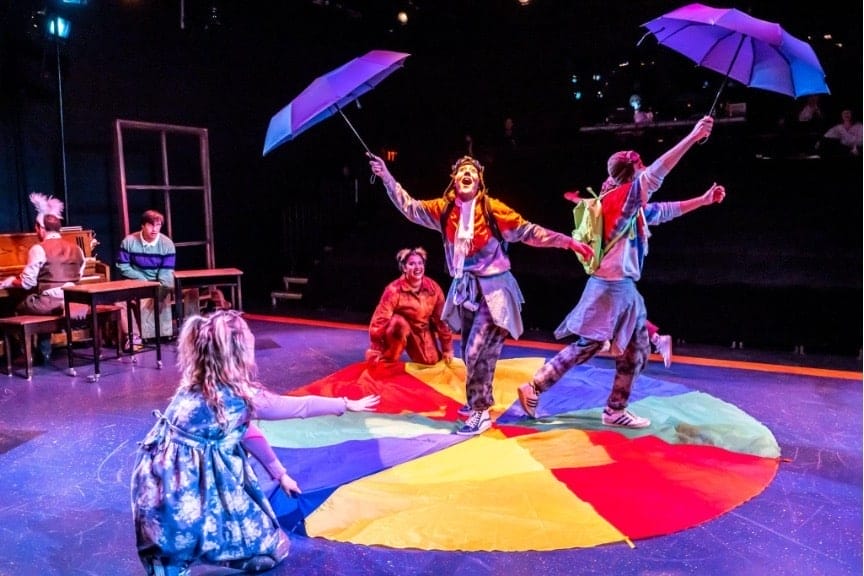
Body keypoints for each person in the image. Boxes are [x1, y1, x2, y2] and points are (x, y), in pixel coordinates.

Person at [130, 309, 380, 576]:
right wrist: (345, 404)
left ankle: (173, 558)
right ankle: (180, 558)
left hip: (155, 479)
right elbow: (299, 407)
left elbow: (247, 433)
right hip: (179, 486)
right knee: (257, 549)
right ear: (238, 352)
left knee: (178, 543)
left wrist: (280, 475)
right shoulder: (241, 397)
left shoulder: (196, 385)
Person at [367, 153, 594, 436]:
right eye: (461, 170)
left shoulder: (492, 208)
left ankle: (479, 411)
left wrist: (568, 243)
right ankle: (480, 404)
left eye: (471, 171)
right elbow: (410, 208)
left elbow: (528, 231)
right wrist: (387, 176)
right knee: (476, 354)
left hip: (495, 290)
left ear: (479, 181)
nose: (466, 174)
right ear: (454, 179)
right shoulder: (444, 210)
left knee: (476, 352)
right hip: (465, 289)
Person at [517, 116, 717, 428]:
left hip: (617, 288)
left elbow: (660, 211)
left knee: (632, 351)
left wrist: (702, 201)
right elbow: (656, 175)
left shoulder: (627, 205)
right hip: (612, 288)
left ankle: (614, 407)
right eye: (640, 168)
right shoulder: (620, 201)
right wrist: (692, 137)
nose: (645, 171)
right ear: (632, 173)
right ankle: (538, 386)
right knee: (592, 346)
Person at [563, 190, 672, 368]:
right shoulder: (612, 208)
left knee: (618, 311)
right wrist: (575, 199)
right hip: (614, 276)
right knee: (626, 313)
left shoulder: (630, 211)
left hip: (616, 277)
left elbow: (669, 209)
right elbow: (593, 204)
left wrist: (703, 200)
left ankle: (611, 339)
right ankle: (656, 338)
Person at [0, 193, 86, 363]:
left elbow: (27, 283)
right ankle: (43, 350)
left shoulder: (38, 248)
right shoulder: (77, 248)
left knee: (14, 303)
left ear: (41, 228)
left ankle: (21, 352)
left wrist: (10, 281)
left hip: (49, 302)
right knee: (39, 301)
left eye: (36, 228)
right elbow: (80, 275)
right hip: (71, 298)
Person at [366, 246, 454, 366]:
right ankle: (388, 358)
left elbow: (442, 320)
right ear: (404, 268)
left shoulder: (434, 289)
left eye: (420, 263)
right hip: (398, 329)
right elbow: (380, 319)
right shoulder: (393, 290)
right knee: (398, 324)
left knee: (430, 362)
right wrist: (375, 348)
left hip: (420, 330)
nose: (417, 267)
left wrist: (447, 348)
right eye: (412, 264)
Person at [115, 209, 176, 346]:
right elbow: (123, 266)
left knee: (161, 294)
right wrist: (143, 280)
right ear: (143, 225)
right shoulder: (129, 242)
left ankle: (158, 333)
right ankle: (133, 336)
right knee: (120, 301)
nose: (154, 229)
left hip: (158, 282)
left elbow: (166, 271)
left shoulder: (167, 244)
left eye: (158, 225)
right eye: (150, 225)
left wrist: (159, 286)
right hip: (137, 281)